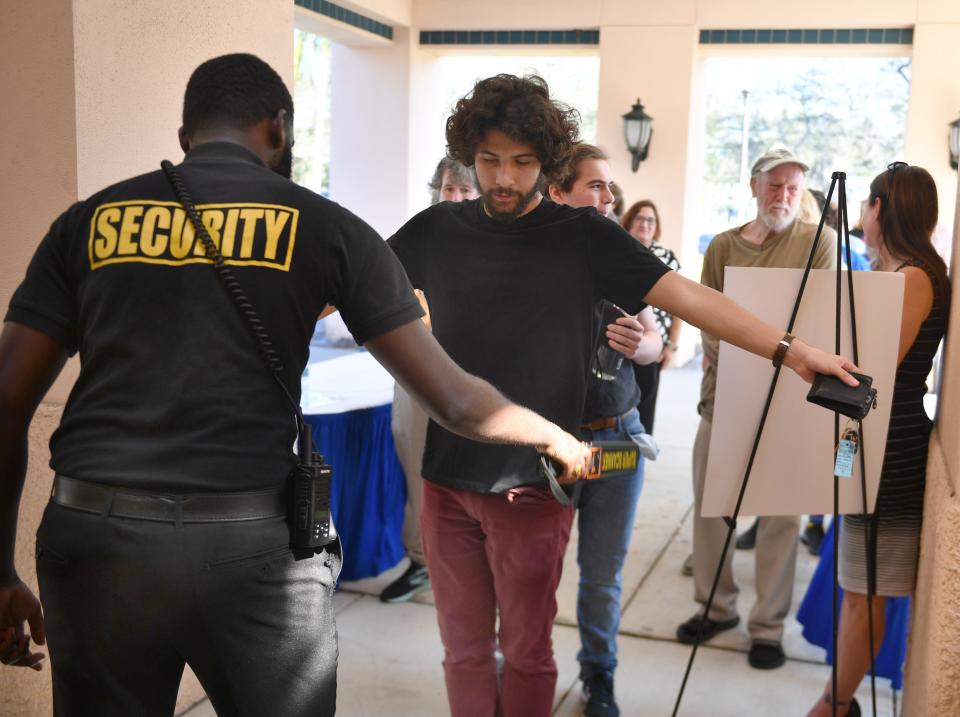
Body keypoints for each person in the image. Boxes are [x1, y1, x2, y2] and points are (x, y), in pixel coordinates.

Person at [0, 54, 592, 717]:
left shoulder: (88, 222)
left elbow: (6, 399)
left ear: (184, 135)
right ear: (279, 128)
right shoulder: (326, 227)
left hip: (92, 540)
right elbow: (452, 398)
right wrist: (549, 433)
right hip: (247, 549)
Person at [387, 75, 856, 717]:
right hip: (446, 479)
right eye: (490, 160)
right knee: (462, 651)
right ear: (471, 153)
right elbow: (353, 285)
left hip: (533, 484)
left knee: (526, 652)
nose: (502, 178)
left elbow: (692, 297)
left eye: (521, 163)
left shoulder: (582, 235)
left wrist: (793, 350)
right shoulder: (435, 230)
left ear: (546, 163)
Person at [676, 144, 838, 671]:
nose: (784, 195)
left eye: (793, 187)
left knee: (780, 518)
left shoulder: (820, 243)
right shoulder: (722, 246)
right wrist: (747, 371)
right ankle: (715, 605)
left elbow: (816, 319)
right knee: (712, 508)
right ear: (753, 186)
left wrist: (767, 367)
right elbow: (707, 318)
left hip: (789, 406)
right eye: (775, 185)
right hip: (722, 401)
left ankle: (767, 627)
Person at [804, 163, 949, 717]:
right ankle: (836, 700)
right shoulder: (905, 271)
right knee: (859, 586)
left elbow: (876, 371)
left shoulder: (913, 277)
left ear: (881, 209)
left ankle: (834, 706)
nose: (861, 218)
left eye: (866, 206)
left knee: (865, 595)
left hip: (890, 452)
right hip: (877, 445)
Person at [547, 144, 662, 717]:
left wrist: (645, 345)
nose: (609, 198)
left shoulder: (622, 258)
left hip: (617, 441)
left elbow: (658, 342)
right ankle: (528, 669)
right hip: (550, 446)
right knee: (534, 572)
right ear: (558, 193)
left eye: (610, 188)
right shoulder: (533, 267)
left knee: (601, 578)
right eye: (596, 186)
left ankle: (599, 679)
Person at [381, 158, 480, 604]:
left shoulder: (495, 246)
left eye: (465, 190)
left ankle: (471, 565)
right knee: (417, 465)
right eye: (448, 189)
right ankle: (422, 561)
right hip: (420, 375)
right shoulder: (417, 239)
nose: (455, 198)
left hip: (477, 379)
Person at [622, 200, 683, 436]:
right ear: (629, 221)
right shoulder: (619, 250)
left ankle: (639, 455)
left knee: (645, 406)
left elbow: (680, 306)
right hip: (620, 343)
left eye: (651, 220)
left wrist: (671, 345)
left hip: (654, 346)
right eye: (640, 218)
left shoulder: (665, 257)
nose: (645, 224)